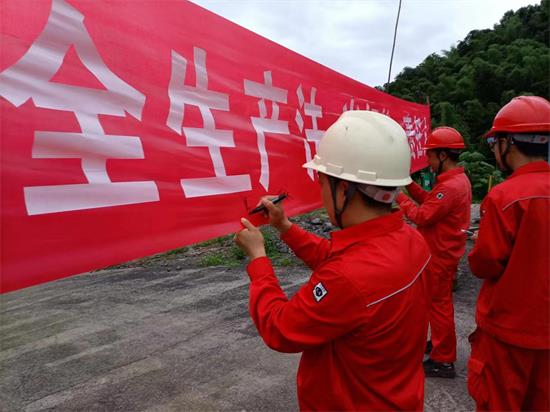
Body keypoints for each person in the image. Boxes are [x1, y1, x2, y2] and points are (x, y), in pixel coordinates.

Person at [234, 110, 431, 411]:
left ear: (342, 189)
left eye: (322, 181)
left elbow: (280, 328)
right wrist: (285, 227)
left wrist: (258, 258)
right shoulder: (411, 241)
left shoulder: (348, 278)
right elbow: (338, 261)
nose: (321, 190)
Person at [467, 95, 550, 411]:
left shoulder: (504, 196)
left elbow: (486, 263)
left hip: (508, 331)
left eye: (495, 143)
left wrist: (479, 244)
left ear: (508, 143)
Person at [396, 127, 472, 378]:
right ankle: (440, 344)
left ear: (442, 156)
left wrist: (399, 197)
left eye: (430, 155)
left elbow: (423, 215)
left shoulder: (449, 187)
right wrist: (408, 185)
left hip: (439, 255)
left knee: (439, 307)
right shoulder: (455, 181)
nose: (427, 160)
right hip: (443, 253)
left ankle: (443, 358)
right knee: (435, 304)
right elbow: (431, 201)